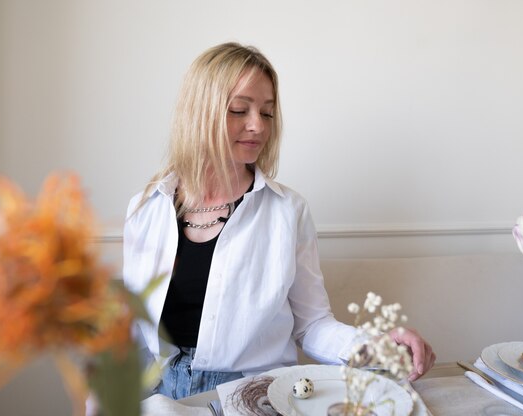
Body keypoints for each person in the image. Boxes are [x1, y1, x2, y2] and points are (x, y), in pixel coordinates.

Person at [123, 42, 435, 400]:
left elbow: (313, 325)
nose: (257, 126)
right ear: (199, 113)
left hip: (255, 393)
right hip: (165, 394)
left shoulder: (288, 211)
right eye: (239, 110)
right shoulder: (146, 210)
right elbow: (132, 331)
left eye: (267, 113)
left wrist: (375, 347)